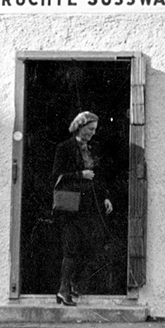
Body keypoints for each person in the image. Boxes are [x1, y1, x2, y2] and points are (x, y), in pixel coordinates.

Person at [50, 111, 114, 306]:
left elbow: (98, 175)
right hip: (71, 206)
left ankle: (74, 284)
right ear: (79, 127)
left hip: (90, 205)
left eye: (94, 130)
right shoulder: (65, 148)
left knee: (91, 244)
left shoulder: (93, 149)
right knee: (71, 247)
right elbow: (56, 176)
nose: (92, 133)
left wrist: (106, 197)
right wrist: (80, 174)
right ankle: (63, 290)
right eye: (89, 129)